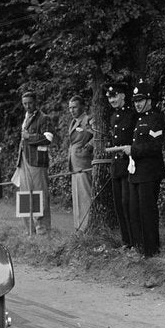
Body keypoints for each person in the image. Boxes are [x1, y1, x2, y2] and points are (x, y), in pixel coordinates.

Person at [126, 80, 165, 257]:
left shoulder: (156, 119)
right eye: (135, 101)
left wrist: (132, 150)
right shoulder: (139, 119)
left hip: (149, 173)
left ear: (149, 100)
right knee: (134, 211)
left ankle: (151, 251)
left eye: (140, 100)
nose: (137, 104)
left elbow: (155, 147)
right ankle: (139, 247)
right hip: (136, 173)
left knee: (147, 212)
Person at [16, 91, 55, 234]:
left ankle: (42, 230)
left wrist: (29, 137)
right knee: (25, 196)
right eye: (25, 103)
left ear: (35, 102)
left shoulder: (44, 118)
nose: (27, 106)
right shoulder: (25, 118)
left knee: (39, 195)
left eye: (30, 103)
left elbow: (48, 138)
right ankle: (29, 230)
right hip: (24, 161)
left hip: (37, 162)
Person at [104, 82, 137, 248]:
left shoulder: (132, 115)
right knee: (118, 204)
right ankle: (126, 242)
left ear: (123, 95)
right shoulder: (114, 117)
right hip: (116, 164)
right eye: (109, 97)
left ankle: (134, 241)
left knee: (127, 202)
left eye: (115, 96)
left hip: (128, 163)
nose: (112, 100)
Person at [66, 95, 94, 232]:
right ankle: (78, 227)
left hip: (84, 164)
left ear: (83, 106)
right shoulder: (73, 122)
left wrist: (88, 147)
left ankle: (86, 228)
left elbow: (98, 136)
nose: (72, 110)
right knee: (77, 198)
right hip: (74, 164)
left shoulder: (88, 120)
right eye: (70, 108)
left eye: (75, 107)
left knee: (85, 197)